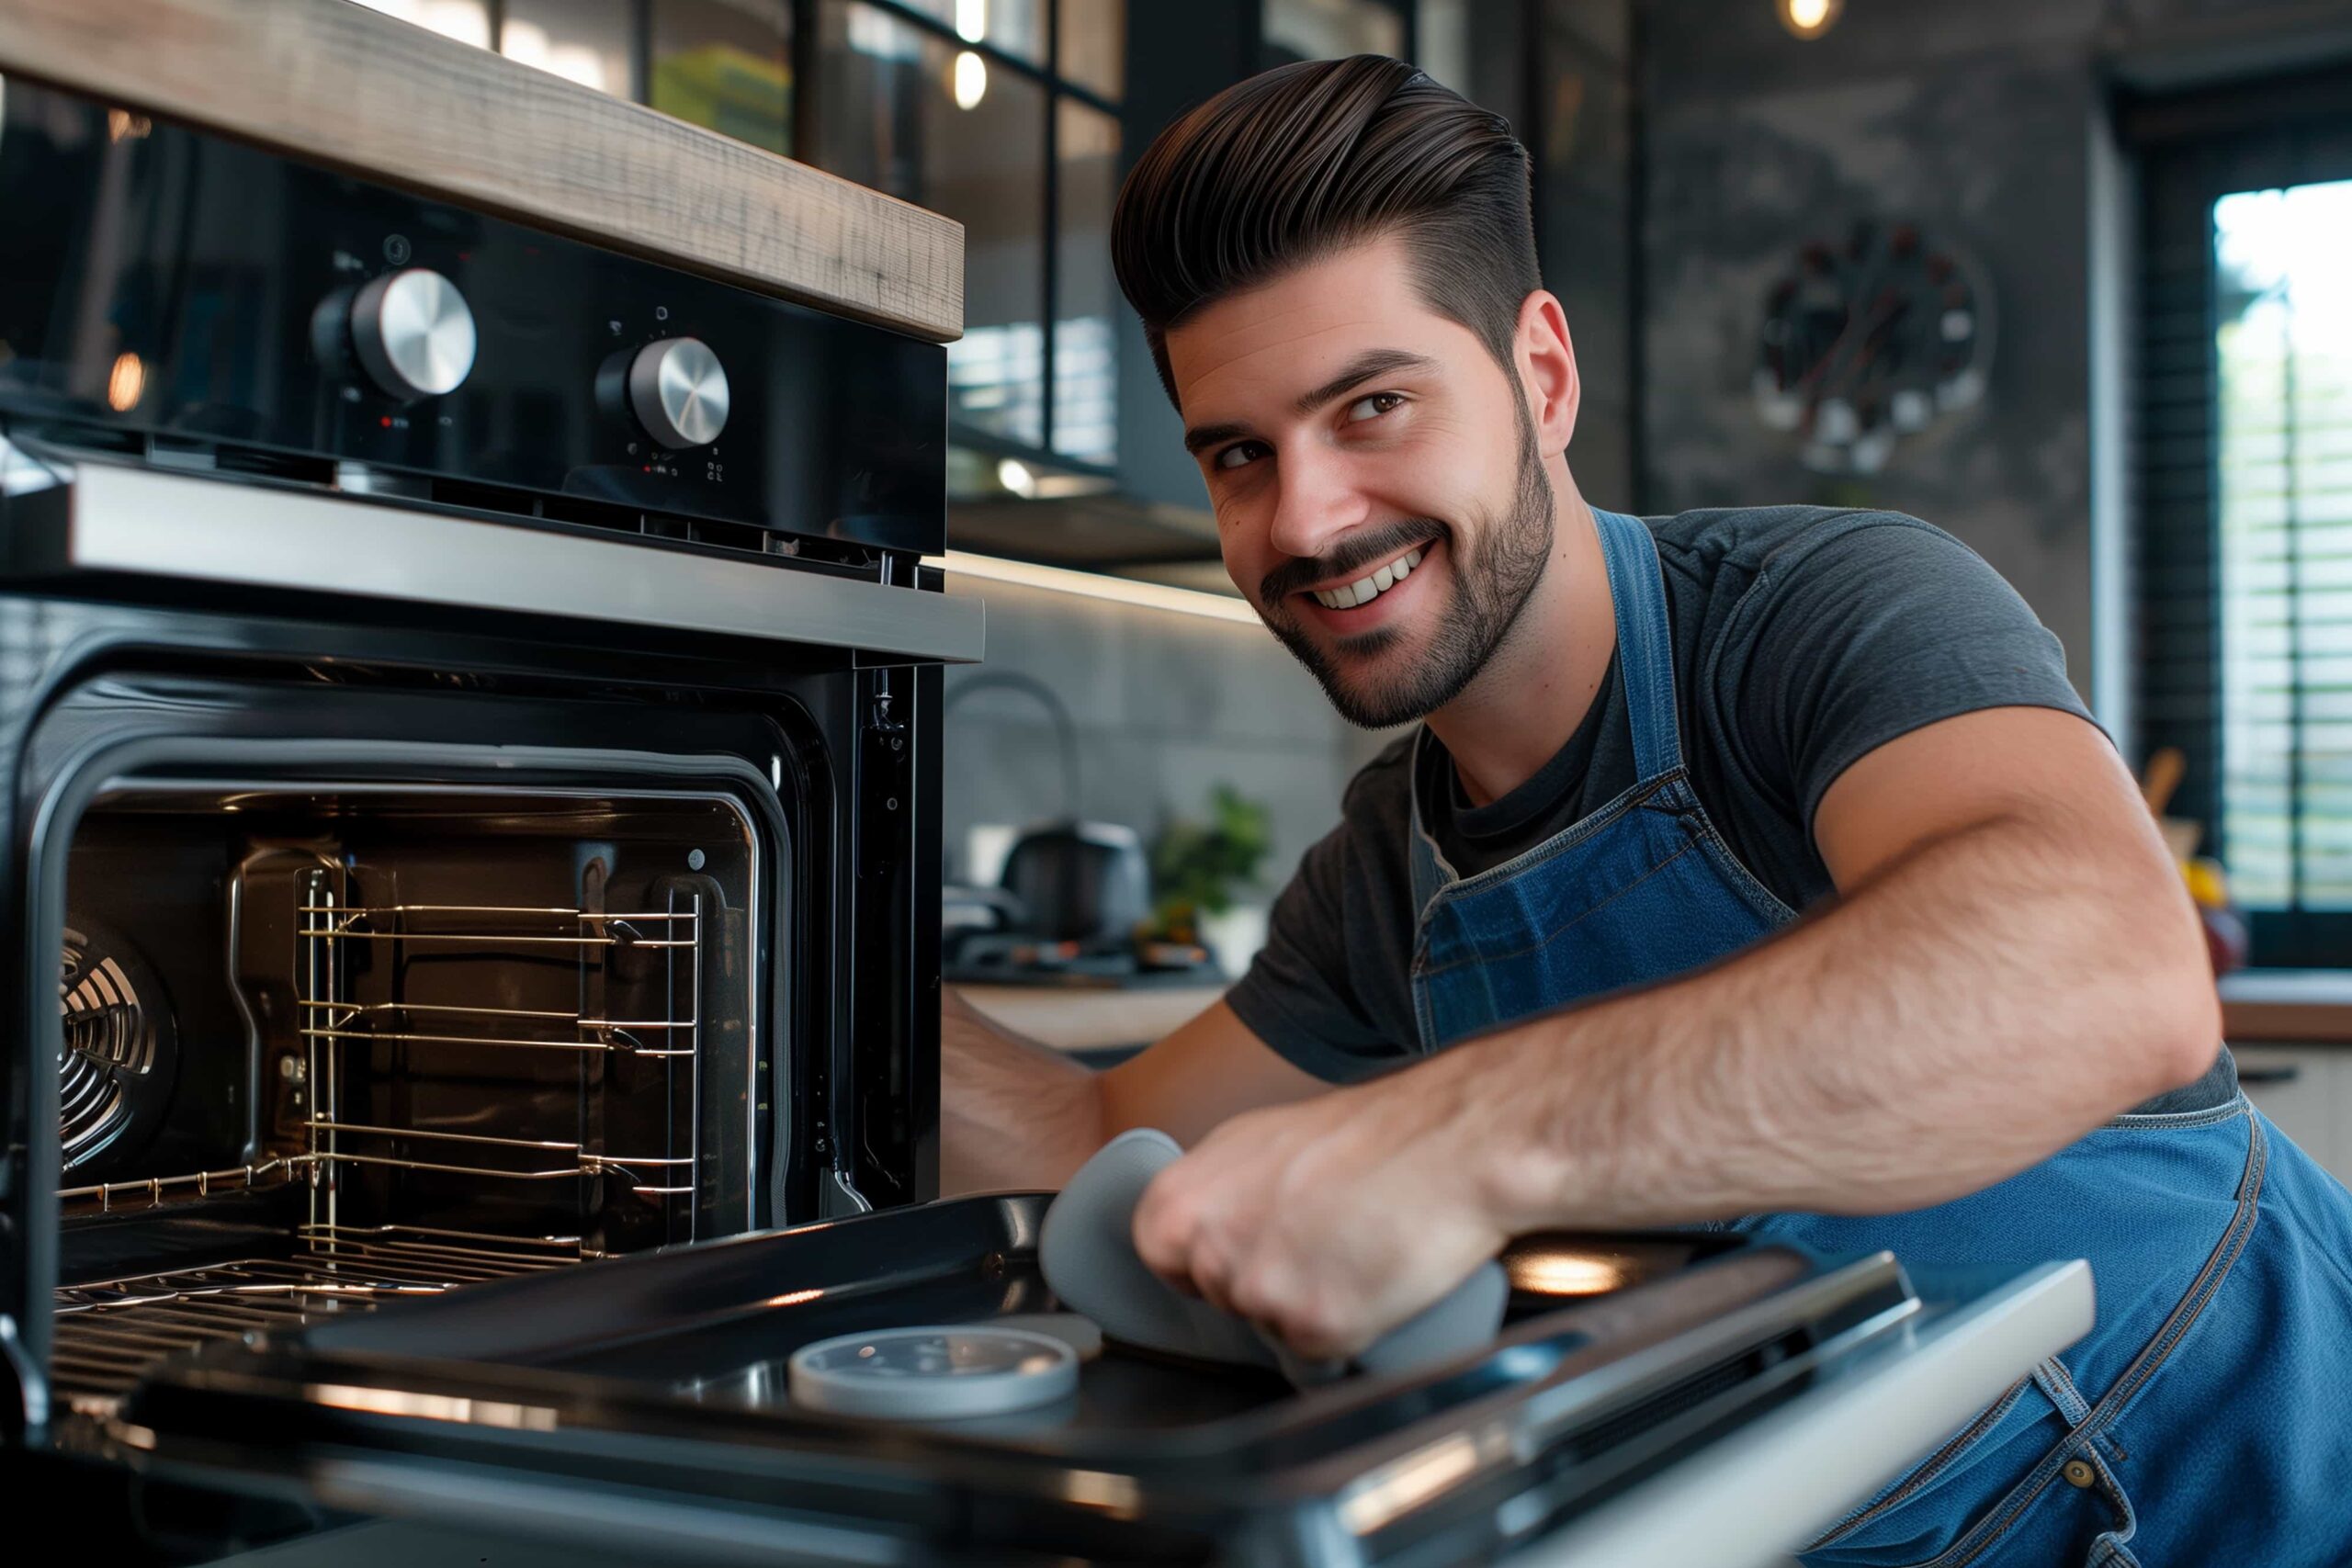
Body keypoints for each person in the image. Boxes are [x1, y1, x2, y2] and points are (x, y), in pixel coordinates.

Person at [942, 53, 2352, 1566]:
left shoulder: (1818, 618)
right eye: (1239, 453)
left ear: (1541, 376)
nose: (1303, 517)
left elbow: (2101, 971)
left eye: (1373, 406)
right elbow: (1094, 1139)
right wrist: (793, 950)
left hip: (2251, 1496)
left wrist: (1463, 1138)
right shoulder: (1382, 873)